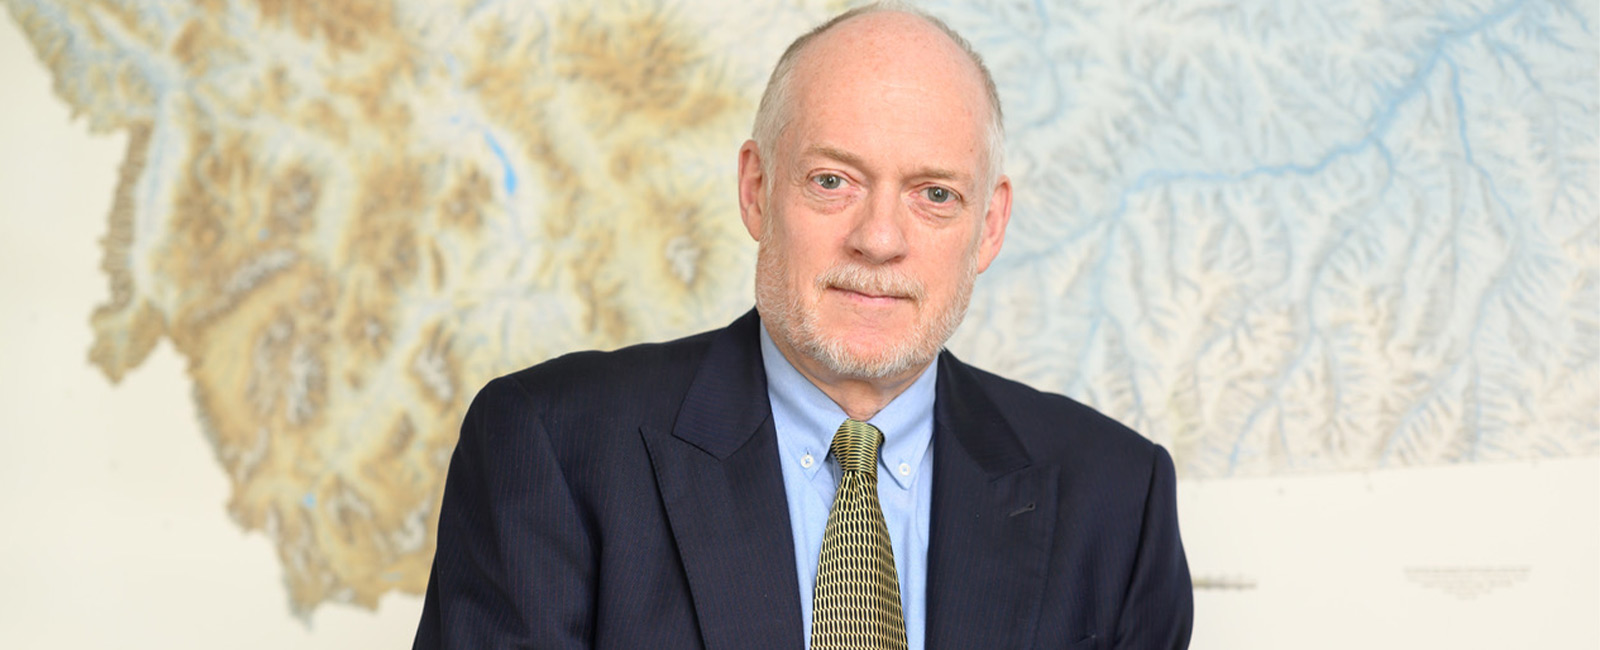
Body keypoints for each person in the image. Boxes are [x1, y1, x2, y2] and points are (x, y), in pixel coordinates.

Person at [413, 3, 1192, 649]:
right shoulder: (553, 448)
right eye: (833, 181)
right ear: (756, 189)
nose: (879, 238)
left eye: (935, 195)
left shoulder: (1118, 501)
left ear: (989, 226)